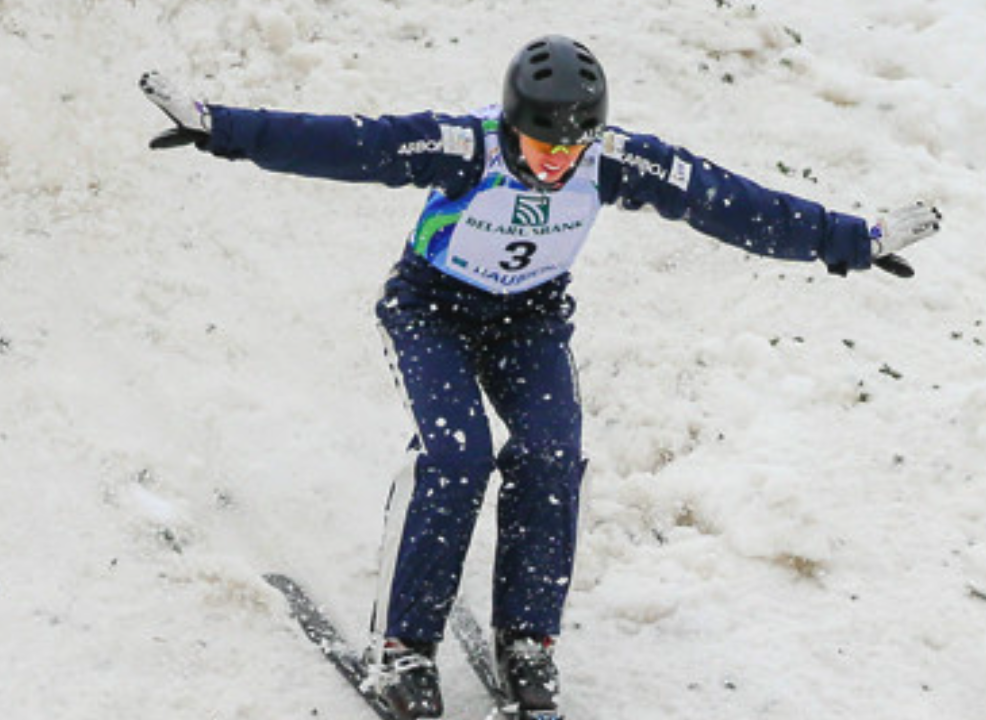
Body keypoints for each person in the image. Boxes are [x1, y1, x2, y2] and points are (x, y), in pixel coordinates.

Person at [140, 35, 940, 720]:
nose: (558, 162)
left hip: (529, 322)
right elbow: (349, 143)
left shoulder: (615, 161)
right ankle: (403, 649)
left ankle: (528, 637)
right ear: (511, 124)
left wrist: (849, 240)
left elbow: (729, 202)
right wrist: (220, 129)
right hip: (432, 313)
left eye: (572, 146)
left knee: (554, 455)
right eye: (543, 145)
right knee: (458, 458)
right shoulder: (464, 147)